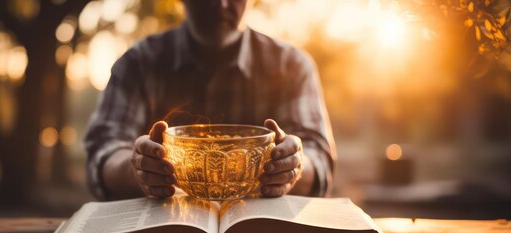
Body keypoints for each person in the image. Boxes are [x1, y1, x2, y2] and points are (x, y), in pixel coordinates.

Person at [84, 0, 335, 200]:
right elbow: (103, 152)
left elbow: (319, 159)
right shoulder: (138, 63)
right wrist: (136, 168)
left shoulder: (291, 66)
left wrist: (294, 165)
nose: (220, 5)